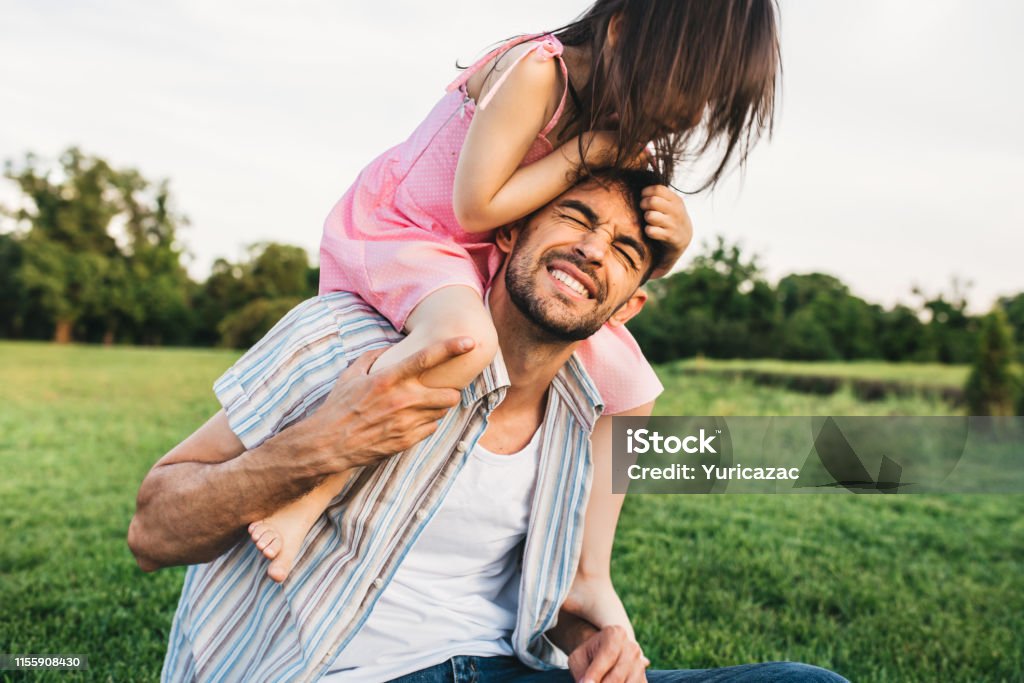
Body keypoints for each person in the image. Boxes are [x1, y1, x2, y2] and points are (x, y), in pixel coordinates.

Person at [128, 170, 847, 683]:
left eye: (625, 253)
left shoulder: (586, 417)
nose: (596, 251)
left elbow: (562, 590)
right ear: (510, 228)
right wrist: (322, 444)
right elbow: (153, 530)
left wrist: (595, 643)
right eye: (576, 218)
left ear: (627, 307)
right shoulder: (346, 340)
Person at [249, 1, 782, 642]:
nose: (688, 114)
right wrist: (586, 151)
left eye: (709, 101)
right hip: (412, 233)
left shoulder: (620, 122)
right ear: (620, 35)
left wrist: (674, 244)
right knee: (463, 343)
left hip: (490, 255)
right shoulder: (538, 73)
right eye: (687, 87)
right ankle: (313, 496)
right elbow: (475, 208)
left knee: (633, 386)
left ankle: (590, 573)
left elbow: (611, 249)